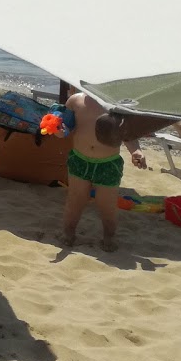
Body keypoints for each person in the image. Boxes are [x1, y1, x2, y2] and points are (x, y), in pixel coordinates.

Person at [56, 93, 157, 250]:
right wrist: (59, 131)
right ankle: (68, 232)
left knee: (107, 205)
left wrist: (136, 151)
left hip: (108, 163)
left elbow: (127, 135)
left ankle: (109, 236)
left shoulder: (117, 104)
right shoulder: (75, 101)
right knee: (75, 200)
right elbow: (66, 129)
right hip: (79, 160)